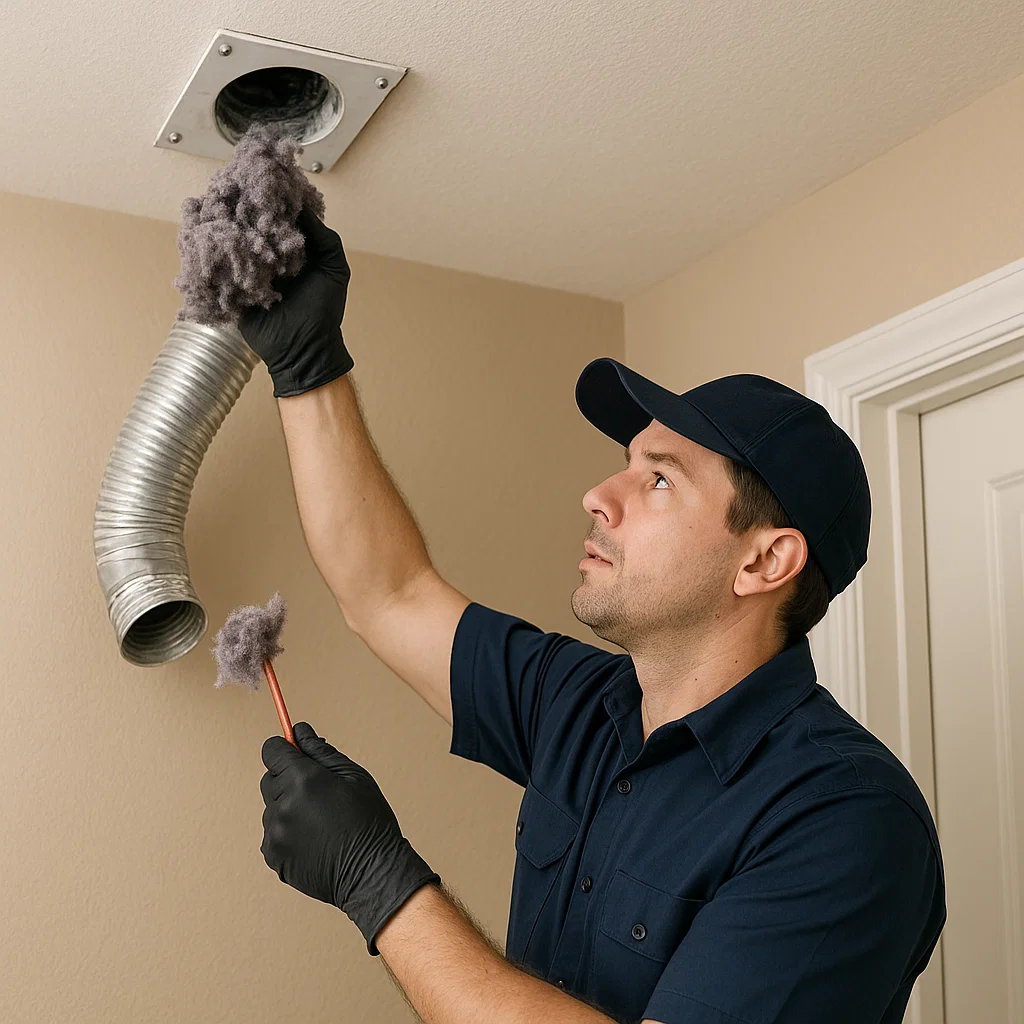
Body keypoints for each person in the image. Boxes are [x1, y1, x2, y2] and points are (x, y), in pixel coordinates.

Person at [243, 210, 946, 1024]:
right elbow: (389, 593)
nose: (597, 497)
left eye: (659, 481)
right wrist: (307, 365)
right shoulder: (579, 704)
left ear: (764, 561)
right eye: (625, 466)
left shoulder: (844, 820)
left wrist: (380, 883)